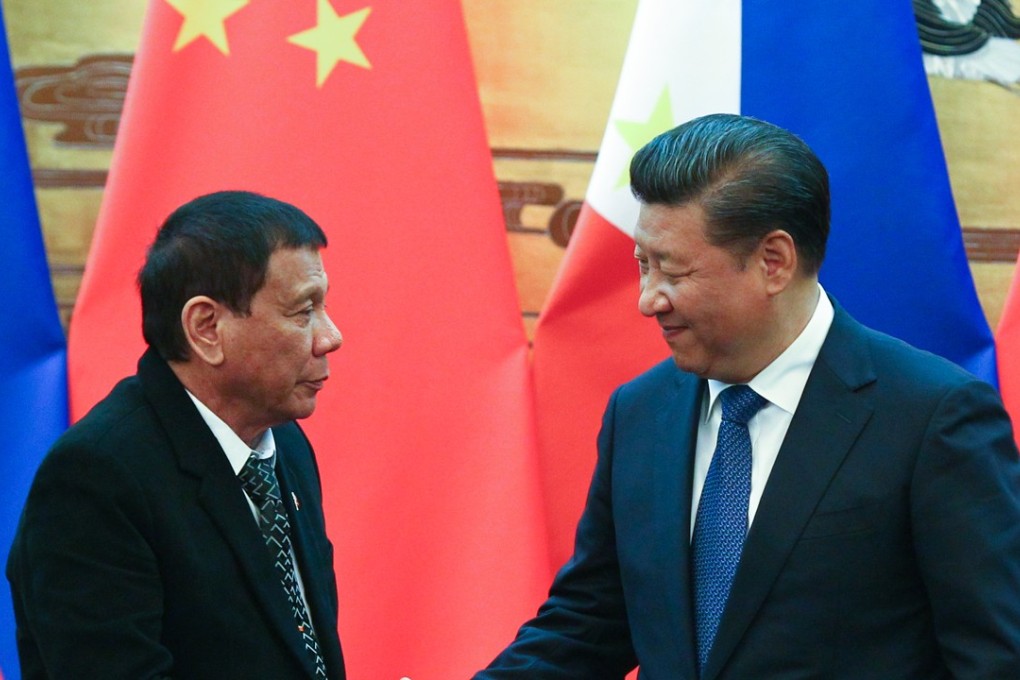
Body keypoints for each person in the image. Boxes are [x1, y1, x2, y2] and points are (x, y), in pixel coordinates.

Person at [475, 114, 1020, 678]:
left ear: (774, 262)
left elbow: (995, 658)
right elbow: (589, 624)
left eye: (673, 270)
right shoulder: (640, 413)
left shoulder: (933, 417)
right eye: (643, 264)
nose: (648, 299)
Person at [7, 191, 346, 679]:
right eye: (302, 311)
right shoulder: (97, 477)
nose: (330, 336)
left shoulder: (284, 444)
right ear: (207, 328)